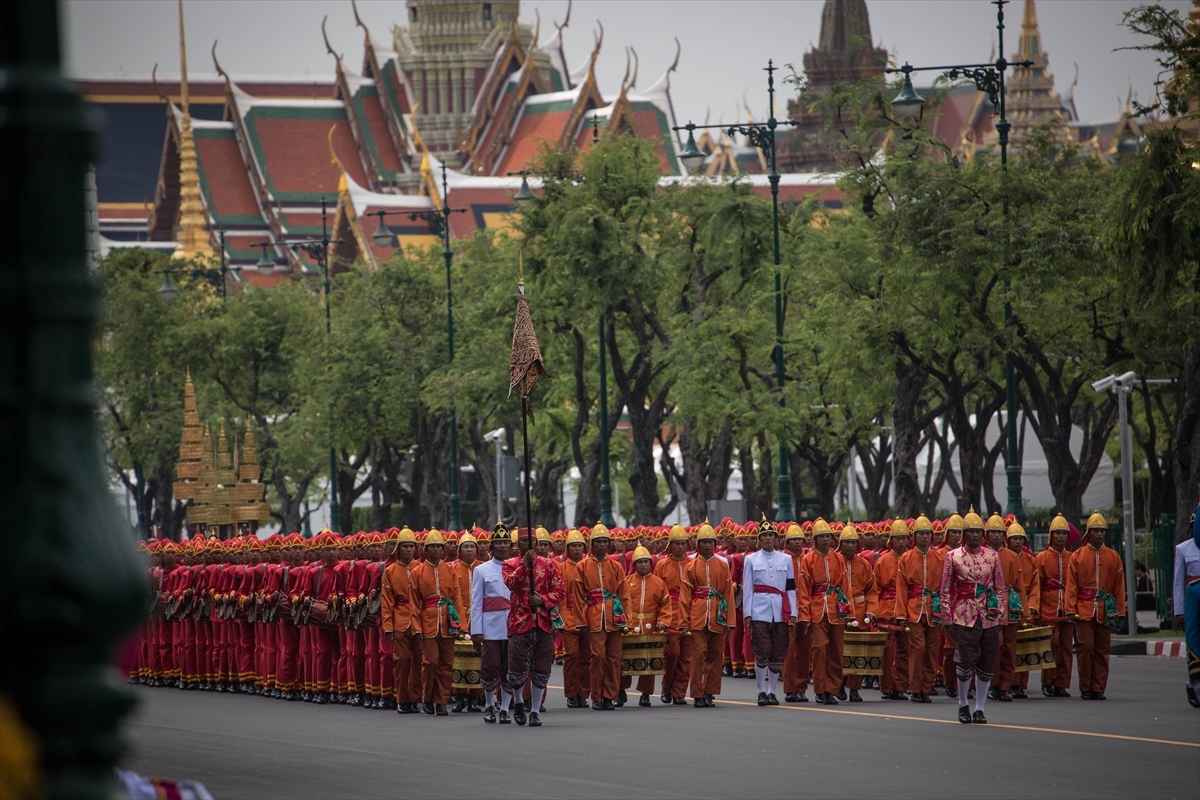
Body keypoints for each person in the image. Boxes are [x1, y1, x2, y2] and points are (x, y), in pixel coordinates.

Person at [939, 507, 1006, 724]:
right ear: (963, 533)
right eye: (970, 531)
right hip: (964, 614)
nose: (975, 535)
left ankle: (980, 708)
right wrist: (947, 618)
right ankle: (963, 704)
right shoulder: (953, 556)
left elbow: (1000, 588)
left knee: (988, 661)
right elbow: (945, 590)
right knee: (965, 660)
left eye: (978, 531)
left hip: (989, 614)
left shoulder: (993, 556)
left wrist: (1002, 616)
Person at [502, 527, 566, 727]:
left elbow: (560, 590)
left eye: (532, 541)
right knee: (517, 666)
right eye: (524, 541)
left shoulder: (549, 564)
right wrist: (524, 564)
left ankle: (536, 710)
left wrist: (542, 600)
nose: (528, 545)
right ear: (517, 544)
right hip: (519, 622)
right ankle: (519, 701)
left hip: (544, 623)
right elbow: (510, 583)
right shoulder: (509, 564)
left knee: (542, 667)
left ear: (537, 544)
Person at [1067, 511, 1126, 701]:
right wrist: (1070, 608)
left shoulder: (1114, 557)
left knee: (1102, 649)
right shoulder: (1077, 556)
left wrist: (1120, 610)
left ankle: (1098, 688)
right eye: (1095, 530)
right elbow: (1071, 586)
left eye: (1102, 530)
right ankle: (1085, 687)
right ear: (1088, 533)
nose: (1099, 534)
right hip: (1083, 610)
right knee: (1085, 648)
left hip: (1106, 610)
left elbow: (1119, 586)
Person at [573, 524, 629, 710]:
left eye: (605, 541)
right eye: (599, 542)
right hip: (594, 617)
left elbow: (624, 595)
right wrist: (581, 622)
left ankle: (609, 697)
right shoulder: (582, 567)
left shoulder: (616, 566)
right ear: (592, 544)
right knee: (597, 657)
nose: (602, 545)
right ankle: (597, 696)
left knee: (614, 658)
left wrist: (627, 620)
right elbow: (578, 597)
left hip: (615, 617)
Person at [742, 517, 797, 707]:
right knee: (762, 650)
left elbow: (790, 587)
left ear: (776, 538)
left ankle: (772, 692)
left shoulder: (786, 559)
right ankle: (760, 691)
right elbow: (748, 588)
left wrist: (793, 612)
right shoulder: (751, 559)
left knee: (778, 651)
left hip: (780, 610)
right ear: (759, 539)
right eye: (764, 535)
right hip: (759, 610)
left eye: (770, 535)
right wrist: (747, 613)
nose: (767, 538)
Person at [411, 529, 464, 716]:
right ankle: (427, 698)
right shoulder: (417, 572)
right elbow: (413, 603)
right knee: (430, 662)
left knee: (446, 664)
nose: (435, 550)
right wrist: (416, 628)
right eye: (431, 546)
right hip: (428, 623)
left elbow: (457, 599)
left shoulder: (450, 570)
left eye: (438, 547)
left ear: (443, 549)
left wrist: (461, 625)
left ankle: (441, 701)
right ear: (425, 550)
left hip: (448, 623)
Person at [797, 518, 850, 705]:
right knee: (820, 648)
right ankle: (820, 690)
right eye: (822, 537)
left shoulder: (839, 559)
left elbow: (845, 586)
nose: (826, 540)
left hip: (836, 609)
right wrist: (804, 614)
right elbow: (804, 589)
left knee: (836, 650)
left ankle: (832, 689)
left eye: (828, 536)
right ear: (815, 539)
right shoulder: (808, 559)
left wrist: (848, 610)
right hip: (817, 609)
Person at [684, 521, 734, 707]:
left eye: (710, 542)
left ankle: (709, 692)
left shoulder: (722, 565)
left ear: (715, 544)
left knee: (715, 655)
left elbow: (728, 594)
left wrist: (730, 621)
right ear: (698, 544)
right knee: (698, 655)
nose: (707, 545)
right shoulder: (690, 566)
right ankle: (698, 694)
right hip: (697, 617)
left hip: (718, 616)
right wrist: (684, 621)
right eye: (704, 542)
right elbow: (685, 597)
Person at [621, 545, 677, 706]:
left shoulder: (659, 583)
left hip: (651, 628)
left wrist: (663, 621)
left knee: (650, 661)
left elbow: (665, 604)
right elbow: (620, 604)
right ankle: (620, 691)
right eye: (640, 562)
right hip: (630, 628)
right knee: (624, 660)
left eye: (646, 561)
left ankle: (645, 694)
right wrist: (623, 622)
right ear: (634, 564)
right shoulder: (626, 582)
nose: (643, 564)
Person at [899, 514, 943, 704]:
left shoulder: (940, 558)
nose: (924, 536)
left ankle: (927, 688)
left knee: (932, 651)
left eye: (927, 533)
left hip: (935, 610)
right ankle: (915, 688)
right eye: (921, 533)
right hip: (914, 610)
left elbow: (945, 587)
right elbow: (902, 589)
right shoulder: (906, 558)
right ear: (914, 536)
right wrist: (901, 615)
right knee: (917, 648)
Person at [471, 526, 513, 723]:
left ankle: (505, 708)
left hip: (513, 626)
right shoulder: (481, 570)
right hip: (491, 628)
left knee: (510, 669)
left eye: (505, 542)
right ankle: (489, 705)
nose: (502, 546)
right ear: (492, 546)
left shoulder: (517, 568)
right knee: (490, 667)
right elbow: (476, 602)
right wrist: (476, 630)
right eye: (498, 543)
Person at [986, 514, 1027, 703]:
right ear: (987, 535)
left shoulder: (1012, 556)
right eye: (993, 532)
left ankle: (1005, 686)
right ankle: (993, 684)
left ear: (1004, 535)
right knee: (994, 646)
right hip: (988, 607)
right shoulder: (981, 555)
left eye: (999, 532)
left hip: (1010, 606)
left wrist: (1024, 612)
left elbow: (1019, 586)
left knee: (1010, 648)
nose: (996, 535)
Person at [381, 526, 422, 714]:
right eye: (404, 546)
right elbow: (387, 602)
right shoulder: (390, 571)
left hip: (420, 620)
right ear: (398, 549)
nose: (408, 550)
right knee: (402, 661)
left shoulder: (421, 568)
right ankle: (401, 699)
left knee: (418, 661)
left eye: (411, 546)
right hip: (400, 619)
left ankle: (414, 699)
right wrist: (388, 627)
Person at [653, 524, 694, 705]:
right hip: (669, 614)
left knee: (686, 657)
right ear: (670, 545)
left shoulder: (692, 563)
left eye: (683, 543)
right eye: (677, 543)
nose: (680, 547)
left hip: (690, 613)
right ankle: (666, 687)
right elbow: (656, 592)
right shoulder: (662, 565)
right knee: (672, 654)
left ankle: (679, 693)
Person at [838, 523, 877, 702]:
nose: (850, 545)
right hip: (840, 612)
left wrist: (871, 611)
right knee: (840, 650)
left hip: (860, 614)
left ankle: (854, 688)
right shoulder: (834, 562)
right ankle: (839, 684)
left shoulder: (864, 564)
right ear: (840, 544)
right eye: (847, 542)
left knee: (858, 651)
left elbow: (872, 591)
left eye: (853, 542)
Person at [875, 520, 911, 700]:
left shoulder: (912, 558)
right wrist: (875, 612)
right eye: (897, 538)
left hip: (907, 609)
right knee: (886, 650)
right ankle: (886, 687)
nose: (901, 542)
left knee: (905, 650)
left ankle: (900, 686)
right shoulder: (882, 560)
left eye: (904, 538)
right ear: (891, 540)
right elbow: (875, 589)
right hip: (886, 610)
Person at [557, 529, 592, 708]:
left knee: (586, 657)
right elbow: (559, 595)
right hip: (569, 615)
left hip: (588, 615)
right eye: (574, 546)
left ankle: (583, 693)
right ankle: (571, 694)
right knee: (571, 655)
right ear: (567, 549)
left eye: (580, 546)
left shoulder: (589, 566)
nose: (577, 549)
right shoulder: (561, 568)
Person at [781, 523, 814, 702]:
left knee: (804, 650)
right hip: (788, 608)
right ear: (787, 543)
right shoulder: (782, 560)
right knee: (789, 649)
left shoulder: (809, 559)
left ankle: (801, 687)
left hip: (807, 608)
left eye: (799, 539)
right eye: (793, 539)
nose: (797, 542)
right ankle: (789, 688)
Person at [1173, 505, 1200, 708]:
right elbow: (1178, 583)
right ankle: (1193, 683)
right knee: (1193, 643)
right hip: (1193, 603)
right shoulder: (1183, 549)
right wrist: (1179, 611)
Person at [939, 513, 964, 697]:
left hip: (966, 603)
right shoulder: (938, 555)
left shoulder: (970, 555)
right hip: (947, 603)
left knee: (968, 647)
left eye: (959, 532)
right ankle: (949, 681)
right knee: (950, 647)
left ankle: (964, 685)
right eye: (953, 532)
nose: (956, 535)